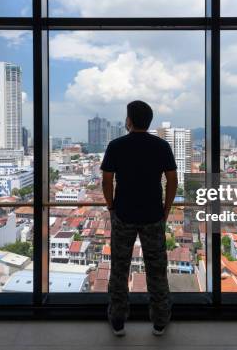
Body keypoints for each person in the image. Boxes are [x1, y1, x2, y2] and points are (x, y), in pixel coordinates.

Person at [101, 100, 178, 337]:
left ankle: (118, 321)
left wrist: (111, 207)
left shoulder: (116, 145)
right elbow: (172, 181)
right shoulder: (161, 146)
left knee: (119, 269)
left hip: (123, 214)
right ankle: (160, 321)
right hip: (153, 215)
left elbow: (107, 181)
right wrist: (166, 210)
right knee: (156, 270)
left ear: (129, 120)